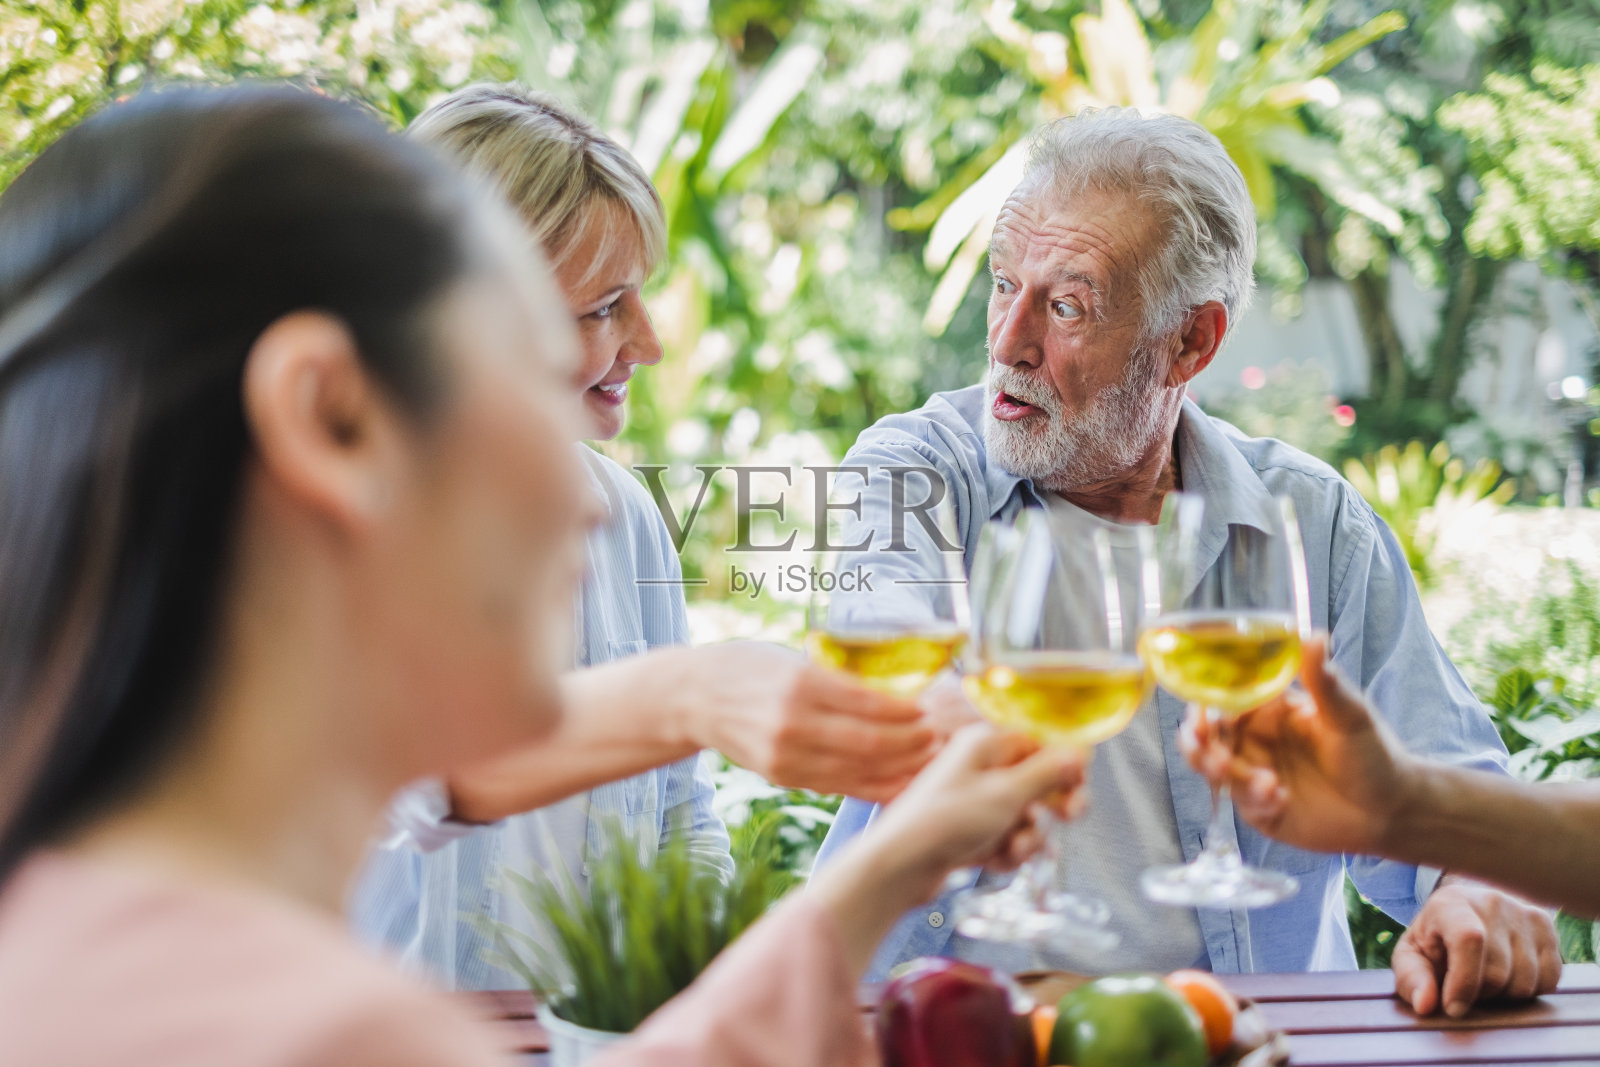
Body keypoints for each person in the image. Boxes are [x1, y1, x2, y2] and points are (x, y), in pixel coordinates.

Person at [0, 85, 1086, 1066]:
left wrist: (887, 864)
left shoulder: (73, 926)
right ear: (329, 418)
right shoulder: (322, 1024)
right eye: (520, 367)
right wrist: (692, 699)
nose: (583, 496)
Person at [811, 106, 1560, 1010]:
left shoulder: (1311, 525)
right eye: (1003, 284)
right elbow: (880, 629)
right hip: (952, 1038)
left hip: (1238, 1038)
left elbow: (1452, 793)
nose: (1008, 343)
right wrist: (930, 706)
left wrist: (1476, 889)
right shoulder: (917, 466)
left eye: (1066, 305)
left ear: (1190, 342)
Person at [351, 85, 937, 989]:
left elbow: (677, 815)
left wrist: (691, 977)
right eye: (604, 308)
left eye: (641, 298)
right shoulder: (332, 532)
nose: (652, 343)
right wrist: (689, 693)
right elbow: (408, 786)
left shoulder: (622, 515)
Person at [1184, 633, 1584, 1013]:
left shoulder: (1335, 561)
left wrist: (1405, 813)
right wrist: (1401, 807)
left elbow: (1430, 762)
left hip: (1312, 1040)